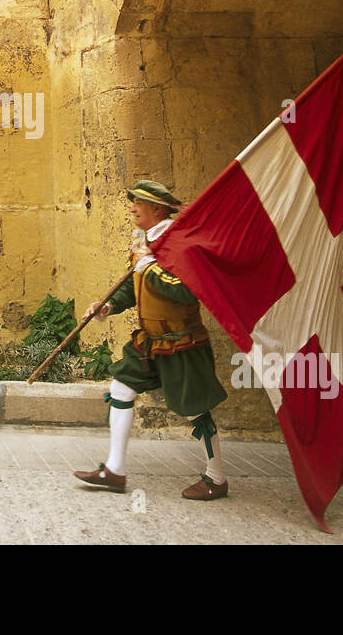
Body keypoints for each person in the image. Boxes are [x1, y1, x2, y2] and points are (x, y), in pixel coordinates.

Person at [73, 180, 230, 500]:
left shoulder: (179, 244)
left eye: (138, 203)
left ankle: (217, 478)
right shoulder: (144, 244)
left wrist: (149, 266)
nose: (132, 208)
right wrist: (109, 305)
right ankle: (115, 471)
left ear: (156, 208)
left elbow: (186, 290)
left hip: (181, 343)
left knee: (194, 411)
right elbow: (134, 288)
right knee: (120, 387)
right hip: (149, 343)